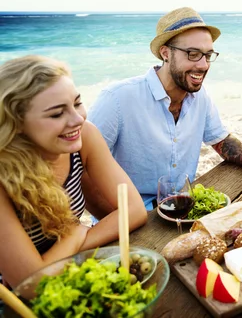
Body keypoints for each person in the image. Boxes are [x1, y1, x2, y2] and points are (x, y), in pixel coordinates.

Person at [88, 7, 242, 210]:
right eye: (193, 54)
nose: (203, 65)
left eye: (207, 55)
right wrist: (119, 221)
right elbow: (82, 170)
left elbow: (221, 141)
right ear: (165, 53)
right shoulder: (117, 99)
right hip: (129, 214)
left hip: (183, 207)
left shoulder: (200, 97)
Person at [0, 56, 147, 288]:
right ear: (16, 123)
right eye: (57, 114)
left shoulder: (84, 136)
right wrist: (74, 234)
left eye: (77, 103)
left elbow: (135, 210)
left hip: (72, 273)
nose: (78, 119)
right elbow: (31, 286)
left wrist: (76, 242)